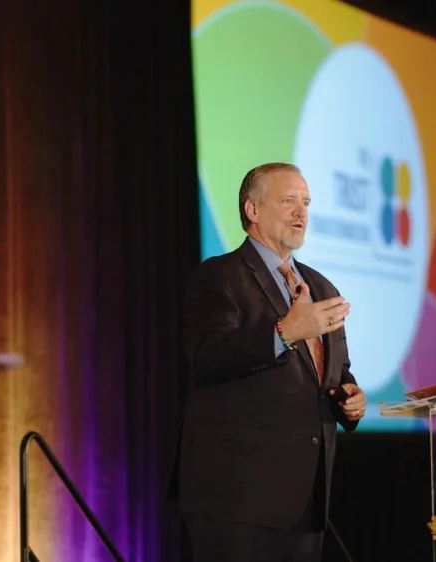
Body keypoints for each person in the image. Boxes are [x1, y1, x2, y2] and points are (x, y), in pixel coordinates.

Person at [175, 162, 367, 562]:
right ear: (253, 210)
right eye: (288, 201)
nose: (301, 213)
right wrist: (283, 332)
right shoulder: (219, 276)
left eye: (306, 203)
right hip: (236, 498)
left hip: (306, 499)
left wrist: (349, 398)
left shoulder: (319, 285)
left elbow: (336, 371)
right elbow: (207, 358)